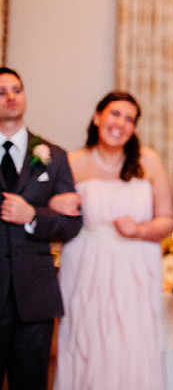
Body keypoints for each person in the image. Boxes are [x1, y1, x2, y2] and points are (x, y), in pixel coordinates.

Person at [52, 91, 173, 390]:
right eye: (115, 114)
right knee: (87, 340)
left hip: (136, 265)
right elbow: (52, 215)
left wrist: (140, 230)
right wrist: (56, 204)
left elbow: (168, 220)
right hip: (85, 264)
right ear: (98, 117)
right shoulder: (72, 161)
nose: (121, 123)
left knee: (132, 342)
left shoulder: (148, 161)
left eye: (130, 119)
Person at [0, 67, 82, 390]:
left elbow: (73, 222)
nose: (10, 97)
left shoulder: (54, 156)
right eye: (1, 92)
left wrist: (33, 214)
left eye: (16, 89)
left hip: (34, 297)